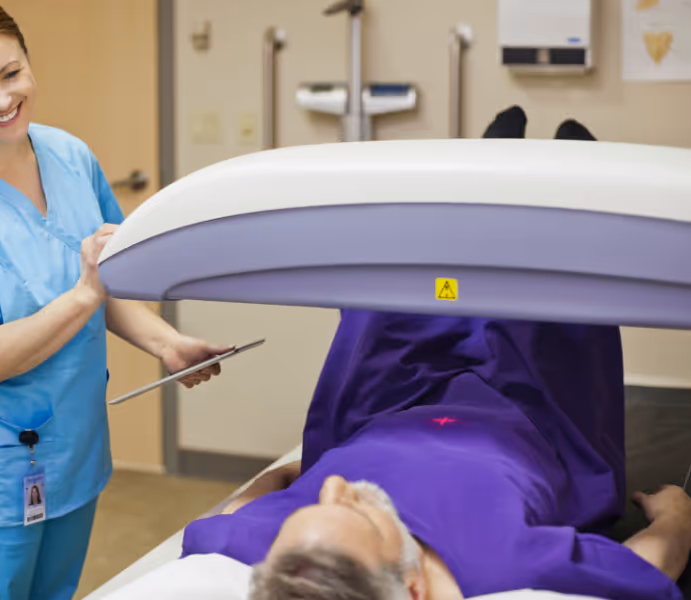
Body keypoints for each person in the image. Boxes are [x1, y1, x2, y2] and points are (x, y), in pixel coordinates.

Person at [179, 112, 691, 599]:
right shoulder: (505, 565)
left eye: (309, 509)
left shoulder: (296, 562)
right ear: (415, 586)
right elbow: (651, 563)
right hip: (524, 414)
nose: (335, 487)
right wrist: (676, 514)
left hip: (384, 409)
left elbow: (232, 517)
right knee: (541, 301)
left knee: (399, 291)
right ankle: (578, 180)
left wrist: (289, 477)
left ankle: (489, 167)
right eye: (357, 513)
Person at [0, 1, 229, 598]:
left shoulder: (68, 156)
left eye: (11, 74)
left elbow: (105, 281)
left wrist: (167, 343)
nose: (0, 99)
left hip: (71, 449)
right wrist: (84, 293)